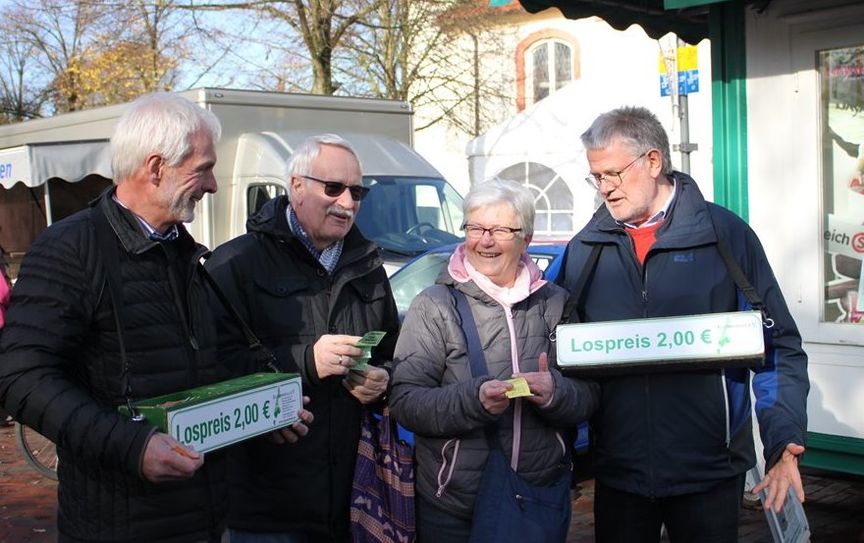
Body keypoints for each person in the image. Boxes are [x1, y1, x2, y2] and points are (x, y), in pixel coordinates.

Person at [0, 92, 312, 543]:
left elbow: (208, 364)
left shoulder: (182, 252)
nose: (213, 186)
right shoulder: (71, 248)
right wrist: (132, 446)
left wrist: (265, 408)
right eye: (203, 169)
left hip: (202, 518)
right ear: (155, 168)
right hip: (119, 525)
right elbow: (20, 377)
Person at [556, 106, 809, 542]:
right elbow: (549, 343)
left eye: (613, 174)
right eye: (596, 178)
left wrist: (782, 440)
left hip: (710, 472)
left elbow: (779, 346)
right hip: (619, 473)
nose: (605, 190)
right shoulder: (584, 248)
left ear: (653, 162)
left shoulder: (725, 236)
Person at [205, 133, 400, 542]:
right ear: (296, 186)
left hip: (353, 498)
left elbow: (392, 354)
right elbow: (211, 370)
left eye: (357, 191)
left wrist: (383, 381)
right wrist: (305, 362)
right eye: (333, 188)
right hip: (265, 507)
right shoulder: (235, 264)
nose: (348, 203)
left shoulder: (369, 266)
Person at [389, 178, 599, 542]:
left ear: (526, 238)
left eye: (500, 229)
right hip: (454, 504)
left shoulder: (555, 303)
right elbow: (406, 402)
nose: (485, 240)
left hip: (536, 498)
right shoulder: (434, 305)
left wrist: (554, 394)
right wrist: (473, 400)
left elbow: (590, 395)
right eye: (476, 228)